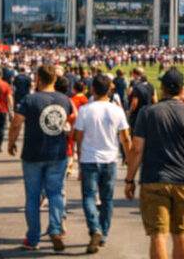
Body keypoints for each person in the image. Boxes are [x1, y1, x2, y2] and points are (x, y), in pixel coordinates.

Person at [125, 68, 184, 259]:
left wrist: (129, 179)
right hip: (183, 179)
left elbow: (137, 149)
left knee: (158, 234)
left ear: (162, 87)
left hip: (154, 178)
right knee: (181, 233)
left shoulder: (147, 113)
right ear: (182, 89)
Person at [8, 65, 73, 251]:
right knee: (56, 193)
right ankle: (55, 228)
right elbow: (71, 120)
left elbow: (16, 123)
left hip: (33, 153)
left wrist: (11, 143)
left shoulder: (30, 99)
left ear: (39, 78)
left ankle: (33, 238)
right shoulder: (64, 100)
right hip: (57, 153)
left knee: (33, 197)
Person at [74, 74, 133, 254]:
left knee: (89, 197)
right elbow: (125, 137)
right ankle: (104, 234)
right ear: (110, 90)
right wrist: (129, 159)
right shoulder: (116, 110)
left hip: (90, 158)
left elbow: (78, 136)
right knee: (107, 199)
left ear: (92, 90)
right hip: (109, 158)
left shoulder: (85, 109)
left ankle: (94, 227)